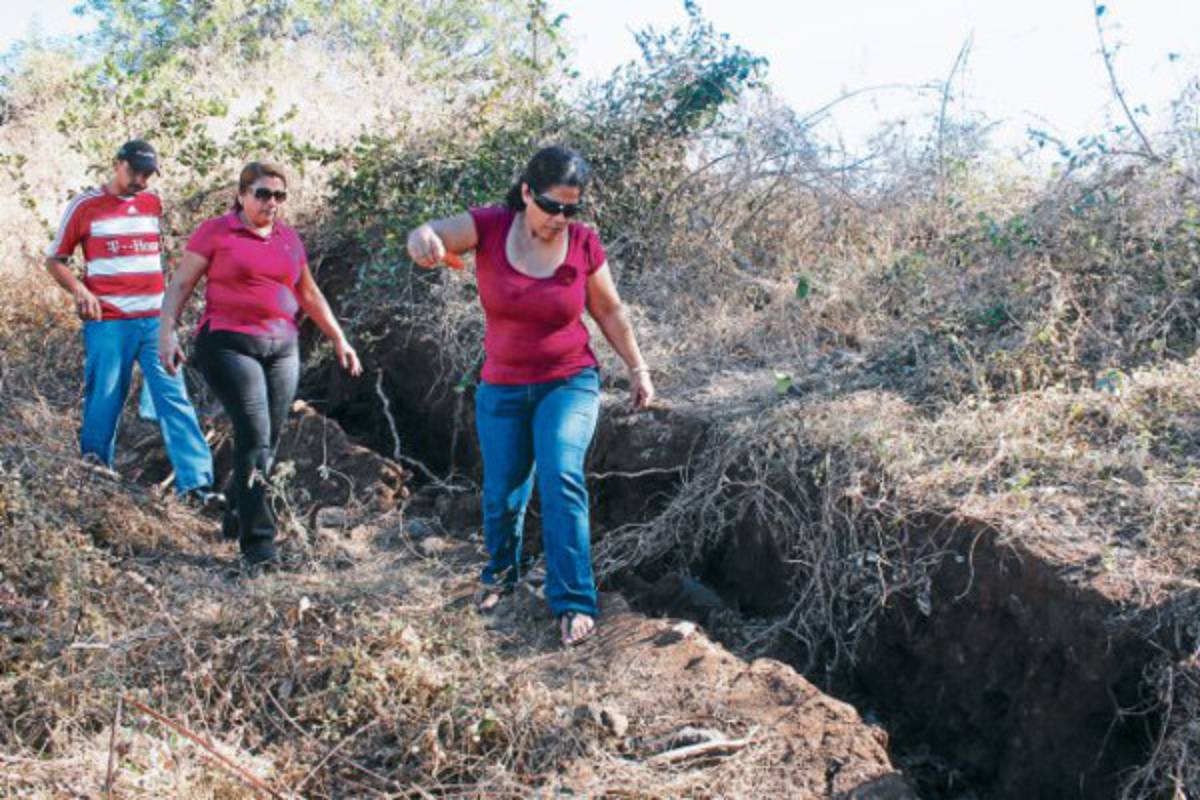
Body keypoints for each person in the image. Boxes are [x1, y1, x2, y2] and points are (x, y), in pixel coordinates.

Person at [406, 145, 655, 647]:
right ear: (526, 193)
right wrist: (424, 239)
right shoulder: (491, 226)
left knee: (561, 475)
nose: (561, 218)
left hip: (569, 381)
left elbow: (609, 312)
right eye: (551, 206)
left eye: (571, 208)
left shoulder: (583, 243)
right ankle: (502, 575)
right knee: (502, 493)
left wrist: (638, 367)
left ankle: (574, 600)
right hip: (502, 385)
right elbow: (427, 232)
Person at [159, 161, 362, 569]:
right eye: (262, 194)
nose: (271, 202)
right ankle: (259, 546)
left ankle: (237, 509)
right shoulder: (217, 231)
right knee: (254, 435)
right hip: (228, 344)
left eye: (279, 195)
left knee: (267, 439)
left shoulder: (288, 238)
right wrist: (167, 331)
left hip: (282, 347)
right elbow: (181, 284)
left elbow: (308, 292)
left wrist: (339, 338)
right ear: (242, 195)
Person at [45, 139, 219, 504]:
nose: (140, 180)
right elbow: (55, 260)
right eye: (134, 171)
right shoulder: (85, 206)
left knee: (175, 397)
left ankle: (197, 486)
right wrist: (80, 291)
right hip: (109, 322)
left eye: (147, 174)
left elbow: (155, 255)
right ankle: (94, 478)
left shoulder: (152, 203)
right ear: (117, 163)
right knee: (104, 398)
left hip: (154, 321)